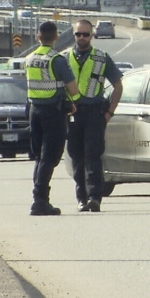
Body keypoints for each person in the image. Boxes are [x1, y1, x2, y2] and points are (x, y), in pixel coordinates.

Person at [65, 19, 124, 213]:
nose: (81, 38)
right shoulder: (64, 58)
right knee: (77, 157)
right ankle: (81, 198)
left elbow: (118, 85)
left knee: (93, 156)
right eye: (78, 34)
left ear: (92, 36)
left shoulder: (101, 57)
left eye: (85, 34)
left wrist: (109, 113)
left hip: (95, 113)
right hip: (73, 114)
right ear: (73, 36)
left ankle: (95, 198)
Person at [25, 20, 79, 216]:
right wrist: (70, 98)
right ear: (56, 36)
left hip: (34, 111)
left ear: (38, 37)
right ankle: (40, 201)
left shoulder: (29, 59)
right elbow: (73, 89)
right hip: (53, 113)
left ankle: (38, 198)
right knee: (50, 157)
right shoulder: (56, 60)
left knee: (40, 157)